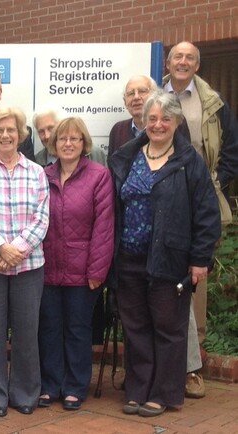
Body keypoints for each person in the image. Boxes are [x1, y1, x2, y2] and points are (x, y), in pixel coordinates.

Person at [108, 91, 220, 417]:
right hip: (128, 258)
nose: (158, 125)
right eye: (152, 119)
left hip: (170, 260)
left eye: (165, 119)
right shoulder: (127, 157)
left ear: (177, 123)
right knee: (136, 327)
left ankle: (164, 393)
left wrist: (200, 259)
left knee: (168, 330)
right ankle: (138, 388)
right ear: (144, 122)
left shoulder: (189, 162)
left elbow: (207, 214)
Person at [163, 41, 238, 399]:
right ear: (168, 62)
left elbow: (232, 151)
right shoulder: (153, 93)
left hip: (197, 199)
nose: (183, 62)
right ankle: (163, 362)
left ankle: (194, 362)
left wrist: (214, 185)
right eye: (178, 56)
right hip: (158, 198)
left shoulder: (212, 101)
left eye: (190, 57)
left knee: (197, 278)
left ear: (197, 64)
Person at [0, 106, 49, 418]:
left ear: (21, 135)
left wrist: (15, 250)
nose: (5, 135)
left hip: (29, 265)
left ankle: (25, 393)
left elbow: (41, 219)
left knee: (27, 332)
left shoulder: (37, 173)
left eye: (11, 130)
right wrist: (1, 248)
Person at [37, 117, 114, 411]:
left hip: (83, 272)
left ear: (84, 144)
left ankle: (75, 386)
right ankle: (49, 385)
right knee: (49, 328)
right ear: (53, 144)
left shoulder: (99, 176)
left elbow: (104, 227)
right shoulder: (42, 175)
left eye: (75, 139)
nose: (68, 144)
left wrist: (97, 271)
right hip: (46, 268)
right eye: (62, 139)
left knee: (78, 329)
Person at [33, 107, 107, 167]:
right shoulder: (36, 162)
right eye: (41, 131)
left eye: (51, 128)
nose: (47, 136)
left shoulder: (94, 154)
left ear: (63, 126)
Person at [108, 75, 159, 157]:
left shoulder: (169, 125)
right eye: (131, 93)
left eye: (142, 91)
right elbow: (113, 166)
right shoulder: (118, 130)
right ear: (125, 102)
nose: (136, 97)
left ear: (156, 97)